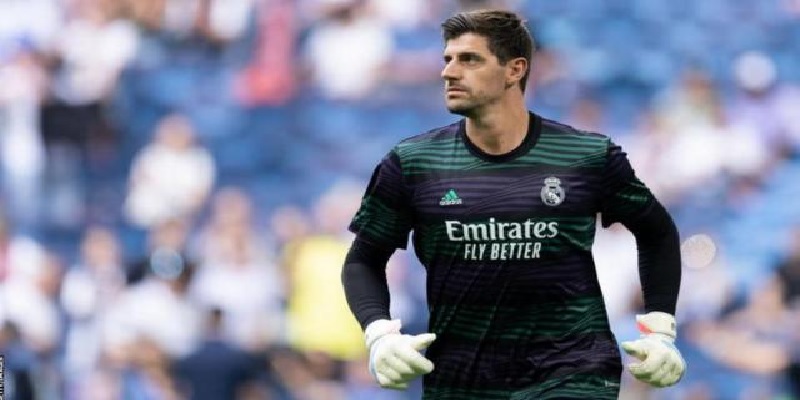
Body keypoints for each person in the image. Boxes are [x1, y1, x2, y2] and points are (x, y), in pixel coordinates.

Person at [341, 9, 685, 399]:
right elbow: (363, 259)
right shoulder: (413, 162)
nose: (449, 72)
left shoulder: (586, 155)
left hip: (572, 373)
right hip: (463, 380)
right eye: (448, 59)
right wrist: (379, 334)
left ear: (515, 70)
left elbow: (657, 232)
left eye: (470, 59)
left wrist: (660, 328)